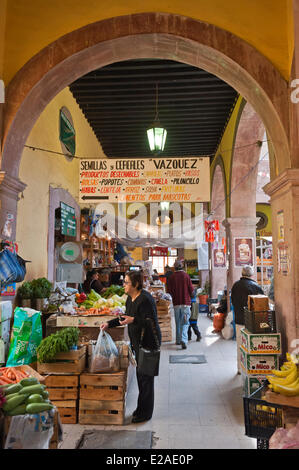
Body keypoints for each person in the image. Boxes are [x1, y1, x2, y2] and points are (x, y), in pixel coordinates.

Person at [100, 270, 161, 423]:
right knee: (141, 378)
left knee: (146, 379)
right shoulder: (130, 298)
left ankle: (145, 413)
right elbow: (125, 317)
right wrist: (109, 324)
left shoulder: (145, 299)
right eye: (124, 282)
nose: (124, 285)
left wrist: (133, 319)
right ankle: (141, 408)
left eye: (126, 282)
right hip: (137, 343)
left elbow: (150, 322)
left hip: (148, 342)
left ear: (136, 284)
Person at [231, 265, 264, 374]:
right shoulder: (255, 286)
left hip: (239, 320)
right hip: (252, 322)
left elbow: (233, 301)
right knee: (253, 346)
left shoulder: (235, 286)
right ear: (252, 274)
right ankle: (252, 367)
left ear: (242, 273)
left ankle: (240, 369)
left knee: (240, 345)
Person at [167, 259, 194, 349]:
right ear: (182, 266)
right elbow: (191, 290)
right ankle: (184, 339)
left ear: (174, 267)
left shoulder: (171, 277)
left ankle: (178, 340)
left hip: (176, 304)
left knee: (178, 322)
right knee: (185, 323)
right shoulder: (186, 276)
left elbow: (169, 291)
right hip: (185, 303)